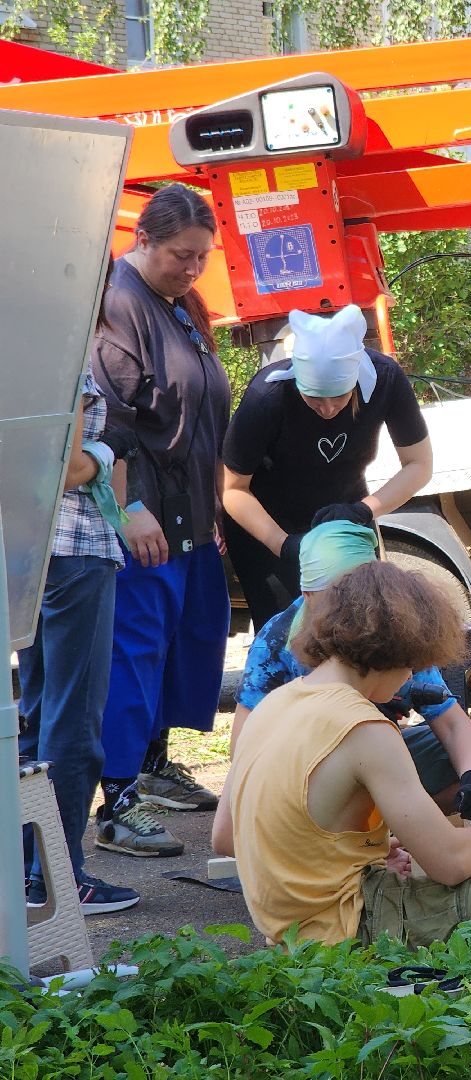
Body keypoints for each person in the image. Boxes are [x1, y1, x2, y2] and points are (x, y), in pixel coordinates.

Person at [227, 558, 471, 946]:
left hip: (296, 925)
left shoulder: (277, 702)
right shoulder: (363, 728)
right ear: (395, 649)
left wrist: (375, 850)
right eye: (416, 665)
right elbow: (451, 864)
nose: (410, 680)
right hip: (344, 930)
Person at [211, 519, 471, 857]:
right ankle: (369, 841)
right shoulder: (277, 643)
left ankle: (391, 833)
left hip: (371, 770)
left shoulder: (387, 632)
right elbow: (453, 864)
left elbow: (449, 721)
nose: (409, 678)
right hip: (313, 783)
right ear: (308, 595)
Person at [93, 184, 231, 857]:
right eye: (183, 254)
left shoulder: (178, 306)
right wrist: (127, 509)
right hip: (147, 517)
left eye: (203, 257)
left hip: (192, 517)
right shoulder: (121, 306)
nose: (194, 268)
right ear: (143, 239)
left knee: (186, 647)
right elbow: (110, 426)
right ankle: (116, 804)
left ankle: (152, 766)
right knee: (134, 654)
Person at [21, 262, 142, 914]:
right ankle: (62, 880)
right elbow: (65, 467)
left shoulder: (23, 346)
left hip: (36, 558)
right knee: (74, 726)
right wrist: (111, 449)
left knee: (38, 718)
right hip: (76, 555)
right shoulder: (67, 350)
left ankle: (29, 872)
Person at [221, 303, 433, 632]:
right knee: (292, 635)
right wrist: (284, 544)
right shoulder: (268, 395)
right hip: (268, 524)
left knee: (363, 628)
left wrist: (364, 511)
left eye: (339, 398)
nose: (327, 409)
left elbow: (419, 465)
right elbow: (233, 490)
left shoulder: (386, 380)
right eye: (314, 400)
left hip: (346, 514)